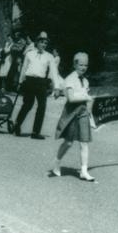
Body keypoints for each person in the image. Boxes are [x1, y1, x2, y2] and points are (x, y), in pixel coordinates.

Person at [51, 52, 96, 182]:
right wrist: (86, 97)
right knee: (69, 142)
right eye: (81, 64)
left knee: (84, 142)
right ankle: (56, 163)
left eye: (86, 65)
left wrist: (90, 116)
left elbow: (87, 102)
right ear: (75, 64)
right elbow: (70, 98)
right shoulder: (70, 79)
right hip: (71, 112)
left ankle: (84, 171)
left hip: (82, 112)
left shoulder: (85, 81)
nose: (83, 67)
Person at [13, 31, 62, 139]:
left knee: (42, 106)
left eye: (45, 43)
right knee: (27, 104)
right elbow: (24, 69)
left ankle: (36, 132)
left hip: (41, 83)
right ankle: (17, 124)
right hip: (29, 81)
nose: (43, 45)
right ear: (37, 43)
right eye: (41, 42)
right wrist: (20, 82)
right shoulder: (29, 54)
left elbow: (54, 72)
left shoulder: (49, 56)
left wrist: (57, 87)